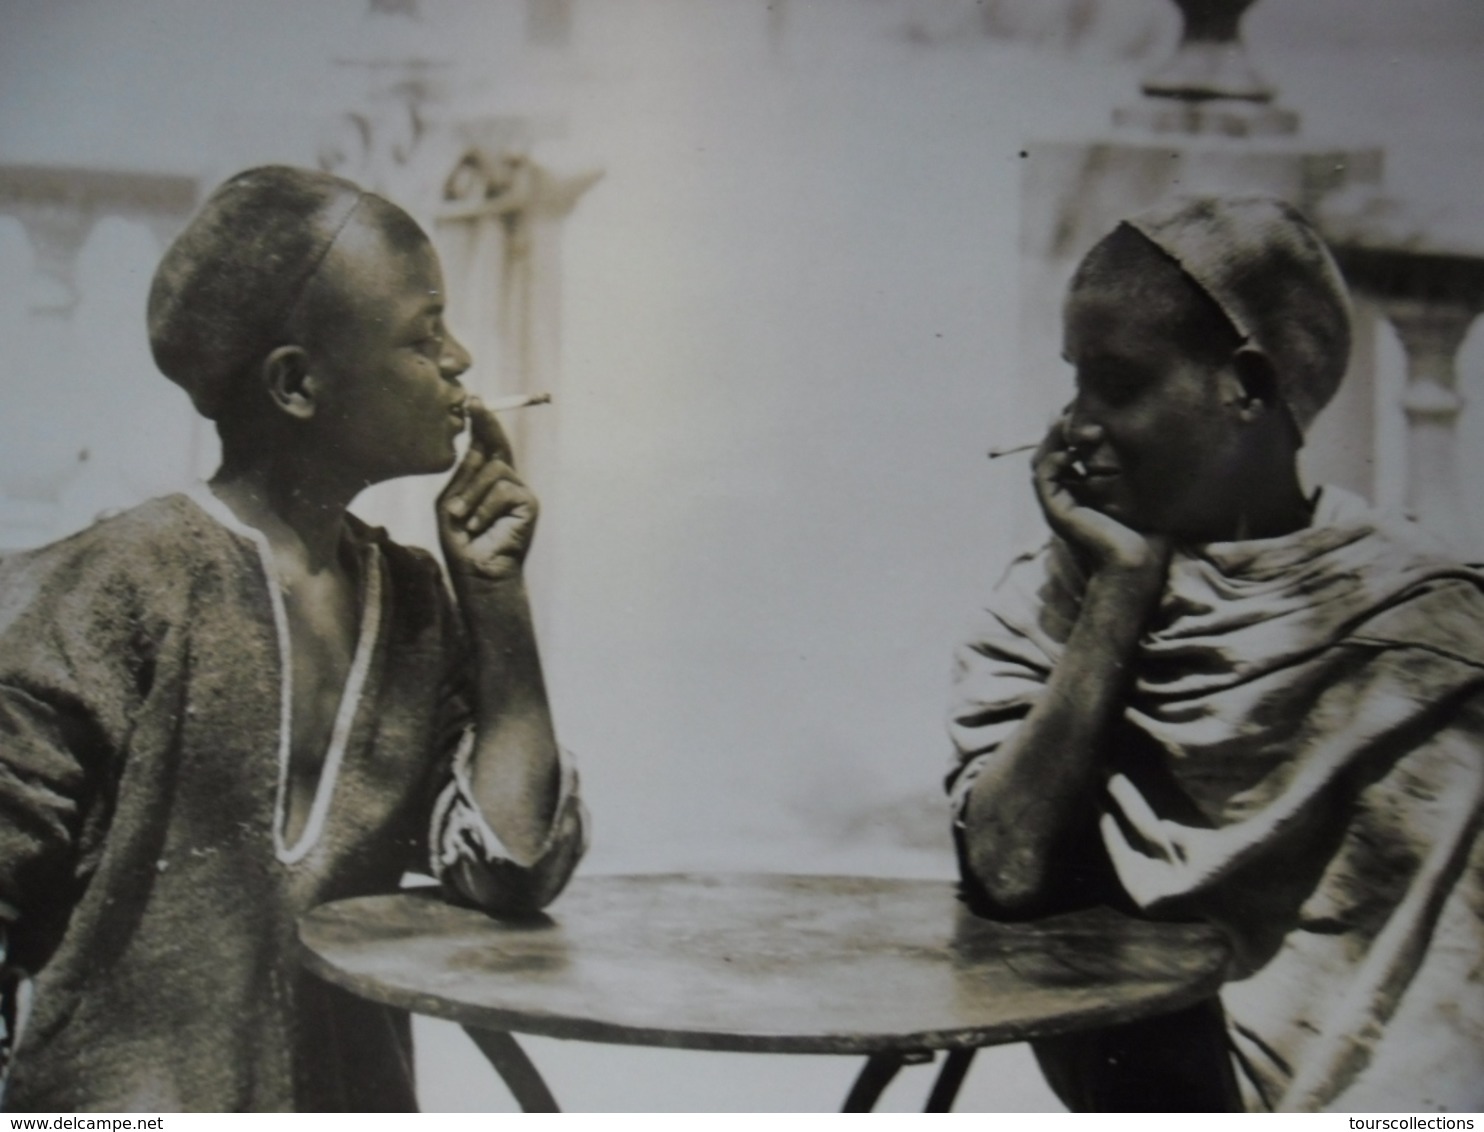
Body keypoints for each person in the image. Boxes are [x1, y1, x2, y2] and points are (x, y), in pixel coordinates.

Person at [0, 166, 588, 1112]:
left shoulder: (413, 601)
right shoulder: (124, 582)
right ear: (299, 383)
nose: (463, 359)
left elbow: (511, 873)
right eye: (424, 333)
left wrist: (496, 596)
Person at [948, 196, 1484, 1112]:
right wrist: (1121, 591)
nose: (1076, 425)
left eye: (1116, 384)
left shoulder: (1431, 631)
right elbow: (1005, 867)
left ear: (1248, 385)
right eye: (1074, 382)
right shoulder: (1048, 603)